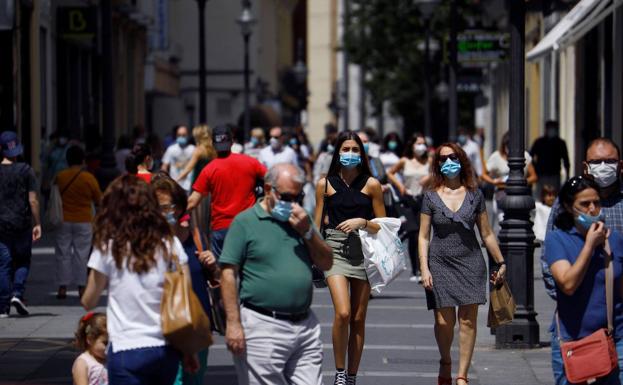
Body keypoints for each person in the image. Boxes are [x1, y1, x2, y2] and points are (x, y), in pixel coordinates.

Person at [220, 163, 332, 385]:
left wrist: (308, 232)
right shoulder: (245, 222)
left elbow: (326, 262)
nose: (292, 203)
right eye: (287, 196)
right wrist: (233, 324)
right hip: (263, 325)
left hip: (304, 325)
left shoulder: (301, 219)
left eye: (297, 196)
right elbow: (228, 274)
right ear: (268, 189)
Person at [81, 175, 197, 384]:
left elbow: (89, 300)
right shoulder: (170, 244)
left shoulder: (109, 246)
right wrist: (189, 348)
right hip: (165, 349)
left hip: (126, 348)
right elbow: (184, 298)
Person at [418, 142, 506, 385]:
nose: (449, 162)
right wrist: (424, 268)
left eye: (453, 157)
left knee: (467, 320)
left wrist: (500, 261)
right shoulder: (430, 197)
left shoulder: (475, 195)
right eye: (443, 159)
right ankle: (446, 360)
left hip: (471, 263)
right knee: (443, 322)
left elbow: (487, 233)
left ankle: (461, 376)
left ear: (462, 160)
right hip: (439, 263)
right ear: (437, 165)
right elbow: (423, 236)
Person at [313, 131, 386, 385]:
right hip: (334, 250)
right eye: (346, 149)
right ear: (337, 153)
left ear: (362, 154)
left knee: (358, 317)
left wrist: (363, 222)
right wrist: (313, 253)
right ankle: (340, 372)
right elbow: (316, 224)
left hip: (363, 252)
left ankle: (352, 376)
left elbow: (383, 226)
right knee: (343, 313)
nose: (351, 154)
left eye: (356, 150)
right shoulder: (325, 184)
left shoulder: (372, 185)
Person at [545, 176, 623, 385]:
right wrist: (589, 246)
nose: (592, 209)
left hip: (613, 338)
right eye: (584, 204)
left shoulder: (614, 240)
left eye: (596, 203)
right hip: (572, 339)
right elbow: (567, 284)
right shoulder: (557, 239)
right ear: (569, 207)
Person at [152, 172, 217, 385]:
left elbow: (213, 278)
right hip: (161, 328)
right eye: (160, 207)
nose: (167, 212)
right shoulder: (146, 243)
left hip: (196, 326)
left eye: (170, 207)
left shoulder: (195, 237)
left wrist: (212, 265)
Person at [541, 138, 623, 300]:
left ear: (620, 166)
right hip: (578, 302)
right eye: (597, 162)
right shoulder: (567, 201)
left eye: (609, 161)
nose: (603, 166)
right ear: (586, 167)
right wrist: (568, 301)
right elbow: (549, 257)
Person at [187, 125, 267, 257]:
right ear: (232, 142)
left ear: (213, 144)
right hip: (249, 225)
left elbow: (192, 202)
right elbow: (272, 178)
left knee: (224, 272)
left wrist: (176, 216)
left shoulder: (209, 170)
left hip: (222, 228)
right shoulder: (251, 162)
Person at [0, 131, 41, 318]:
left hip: (1, 225)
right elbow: (33, 200)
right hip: (22, 224)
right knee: (23, 260)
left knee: (4, 263)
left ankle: (3, 306)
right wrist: (37, 223)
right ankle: (17, 293)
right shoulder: (26, 170)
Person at [54, 146, 102, 300]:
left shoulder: (60, 176)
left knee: (63, 253)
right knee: (81, 255)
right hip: (84, 220)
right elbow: (98, 199)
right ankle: (81, 288)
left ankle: (63, 288)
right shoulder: (88, 178)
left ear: (67, 160)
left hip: (64, 220)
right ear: (83, 160)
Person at [388, 133, 431, 282]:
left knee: (423, 234)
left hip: (424, 199)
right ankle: (415, 269)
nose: (421, 146)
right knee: (413, 234)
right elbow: (390, 173)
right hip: (408, 200)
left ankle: (424, 267)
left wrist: (429, 177)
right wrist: (400, 186)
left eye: (423, 143)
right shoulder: (404, 161)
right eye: (418, 143)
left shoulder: (429, 161)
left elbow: (438, 172)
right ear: (412, 146)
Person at [481, 132, 538, 225]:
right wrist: (494, 181)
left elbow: (534, 177)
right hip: (502, 193)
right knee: (503, 222)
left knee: (521, 222)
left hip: (521, 194)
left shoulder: (525, 155)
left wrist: (522, 182)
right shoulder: (496, 156)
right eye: (507, 145)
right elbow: (483, 174)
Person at [530, 120, 570, 195]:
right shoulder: (539, 142)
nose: (552, 130)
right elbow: (530, 157)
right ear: (546, 129)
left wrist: (567, 175)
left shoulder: (560, 143)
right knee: (542, 194)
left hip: (555, 175)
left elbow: (566, 160)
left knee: (553, 194)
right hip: (541, 175)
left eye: (554, 128)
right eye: (550, 128)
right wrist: (535, 169)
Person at [72, 312, 108, 385]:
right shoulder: (83, 363)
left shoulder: (109, 359)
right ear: (90, 339)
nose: (110, 347)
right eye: (105, 343)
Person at [161, 125, 196, 192]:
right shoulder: (171, 149)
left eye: (183, 135)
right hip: (174, 185)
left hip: (189, 185)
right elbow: (164, 167)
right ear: (176, 136)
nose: (181, 137)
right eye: (179, 135)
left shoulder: (193, 149)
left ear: (188, 135)